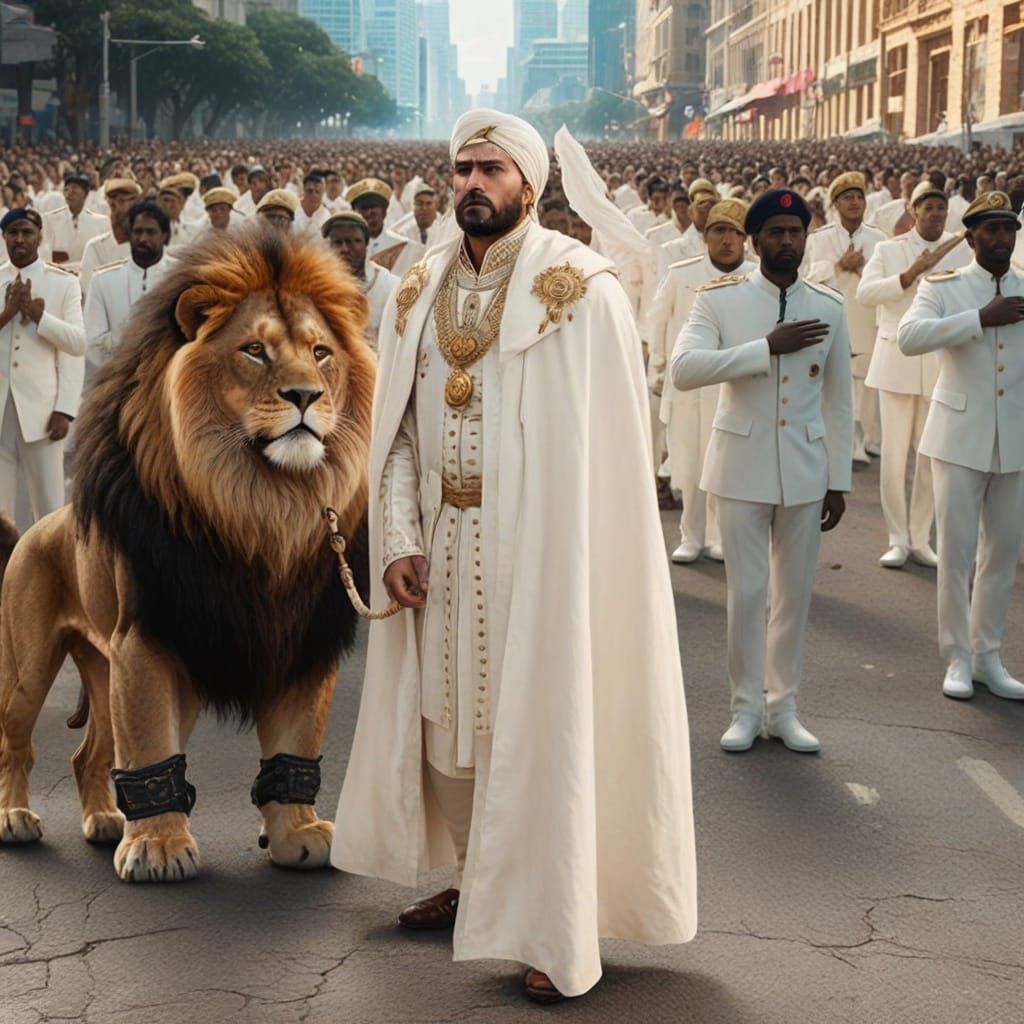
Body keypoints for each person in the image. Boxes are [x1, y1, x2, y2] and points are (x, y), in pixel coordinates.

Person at [331, 110, 697, 1004]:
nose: (472, 184)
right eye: (461, 169)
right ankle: (475, 882)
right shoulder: (414, 287)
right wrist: (402, 542)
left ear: (529, 185)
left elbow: (602, 459)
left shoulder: (582, 286)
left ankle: (553, 923)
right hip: (446, 548)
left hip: (544, 555)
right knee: (446, 730)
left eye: (491, 169)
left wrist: (553, 554)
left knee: (538, 731)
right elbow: (399, 435)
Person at [672, 189, 854, 754]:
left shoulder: (829, 305)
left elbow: (839, 399)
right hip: (741, 464)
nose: (785, 242)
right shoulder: (718, 302)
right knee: (748, 595)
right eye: (774, 232)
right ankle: (746, 708)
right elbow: (684, 369)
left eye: (794, 232)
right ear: (754, 241)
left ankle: (785, 707)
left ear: (804, 238)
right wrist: (763, 348)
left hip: (804, 466)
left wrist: (839, 479)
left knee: (793, 597)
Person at [898, 191, 1024, 701]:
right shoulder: (943, 286)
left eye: (1008, 230)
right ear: (970, 237)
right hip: (958, 438)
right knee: (956, 552)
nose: (1000, 239)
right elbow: (910, 337)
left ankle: (988, 653)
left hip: (1015, 438)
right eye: (989, 230)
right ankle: (958, 656)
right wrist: (979, 319)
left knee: (1002, 553)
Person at [857, 180, 971, 569]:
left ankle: (922, 538)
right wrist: (908, 275)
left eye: (941, 207)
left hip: (940, 364)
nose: (936, 214)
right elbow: (866, 293)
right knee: (892, 458)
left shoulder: (958, 254)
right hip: (896, 362)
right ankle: (897, 538)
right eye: (928, 208)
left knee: (929, 455)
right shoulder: (890, 250)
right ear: (914, 211)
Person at [648, 197, 755, 563]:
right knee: (689, 463)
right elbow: (657, 319)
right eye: (719, 231)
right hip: (689, 387)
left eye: (735, 233)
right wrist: (658, 367)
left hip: (736, 388)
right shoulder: (682, 273)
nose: (727, 240)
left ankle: (718, 534)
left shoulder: (757, 277)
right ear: (705, 236)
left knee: (727, 465)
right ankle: (690, 535)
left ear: (745, 239)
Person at [0, 208, 85, 521]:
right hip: (1, 410)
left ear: (40, 237)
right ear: (4, 238)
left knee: (49, 510)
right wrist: (8, 312)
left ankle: (51, 570)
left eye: (27, 232)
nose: (19, 240)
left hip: (43, 411)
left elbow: (76, 345)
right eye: (12, 233)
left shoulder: (63, 284)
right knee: (0, 513)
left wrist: (65, 409)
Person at [804, 172, 887, 464]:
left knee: (865, 385)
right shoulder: (820, 238)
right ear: (836, 204)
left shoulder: (878, 239)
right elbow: (809, 279)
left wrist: (861, 268)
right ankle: (836, 442)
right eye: (847, 198)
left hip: (865, 317)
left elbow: (885, 280)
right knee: (835, 383)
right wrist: (839, 265)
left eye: (859, 197)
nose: (854, 203)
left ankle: (863, 443)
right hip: (834, 319)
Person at [83, 200, 173, 373]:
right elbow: (92, 345)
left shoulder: (180, 276)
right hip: (118, 380)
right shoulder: (103, 281)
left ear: (165, 236)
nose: (143, 239)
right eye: (137, 232)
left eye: (151, 232)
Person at [321, 210, 396, 349]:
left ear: (366, 244)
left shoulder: (388, 284)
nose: (344, 249)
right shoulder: (318, 286)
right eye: (338, 242)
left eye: (352, 241)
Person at [79, 177, 142, 295]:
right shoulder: (95, 247)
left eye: (123, 201)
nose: (119, 208)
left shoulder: (147, 245)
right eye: (113, 203)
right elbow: (89, 288)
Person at [42, 172, 109, 270]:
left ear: (85, 194)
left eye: (74, 191)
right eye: (66, 190)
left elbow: (103, 257)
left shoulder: (101, 222)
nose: (69, 195)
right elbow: (45, 254)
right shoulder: (50, 220)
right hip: (59, 275)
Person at [345, 178, 394, 260]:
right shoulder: (346, 246)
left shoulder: (397, 245)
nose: (368, 213)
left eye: (373, 207)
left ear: (384, 212)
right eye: (363, 208)